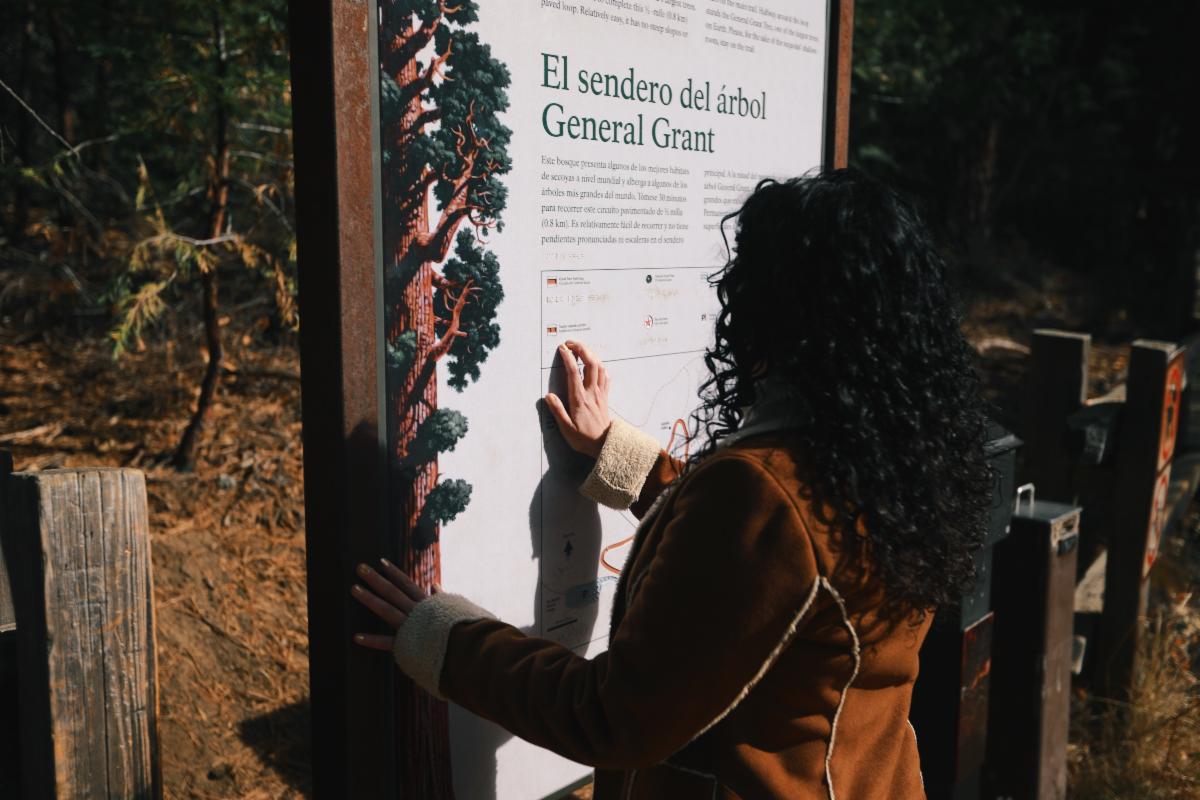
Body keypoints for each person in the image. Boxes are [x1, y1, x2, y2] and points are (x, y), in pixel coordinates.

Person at [350, 170, 995, 799]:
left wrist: (442, 638)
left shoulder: (767, 492)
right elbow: (773, 560)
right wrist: (617, 456)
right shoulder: (893, 462)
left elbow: (613, 716)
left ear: (772, 306)